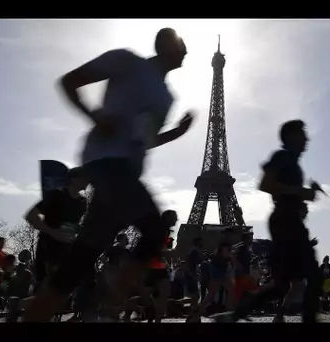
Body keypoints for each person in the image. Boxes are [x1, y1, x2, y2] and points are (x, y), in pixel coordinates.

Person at [23, 27, 194, 322]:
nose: (187, 52)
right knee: (154, 229)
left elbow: (146, 140)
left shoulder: (167, 98)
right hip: (105, 163)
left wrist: (176, 133)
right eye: (182, 44)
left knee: (78, 263)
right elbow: (69, 81)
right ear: (165, 44)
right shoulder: (126, 62)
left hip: (125, 172)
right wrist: (94, 116)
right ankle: (112, 300)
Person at [212, 119, 321, 323]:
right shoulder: (281, 157)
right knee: (312, 276)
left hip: (287, 220)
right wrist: (299, 192)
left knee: (282, 284)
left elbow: (285, 192)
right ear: (290, 137)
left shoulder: (293, 163)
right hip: (286, 222)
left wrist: (303, 198)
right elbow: (265, 184)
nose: (307, 138)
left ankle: (236, 315)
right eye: (302, 134)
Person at [24, 167, 88, 291]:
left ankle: (20, 305)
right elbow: (31, 216)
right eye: (84, 177)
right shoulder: (56, 195)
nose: (88, 181)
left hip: (67, 249)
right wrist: (52, 232)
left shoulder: (83, 202)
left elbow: (74, 224)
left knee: (59, 292)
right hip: (48, 246)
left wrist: (79, 231)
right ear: (73, 179)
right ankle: (18, 306)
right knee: (47, 288)